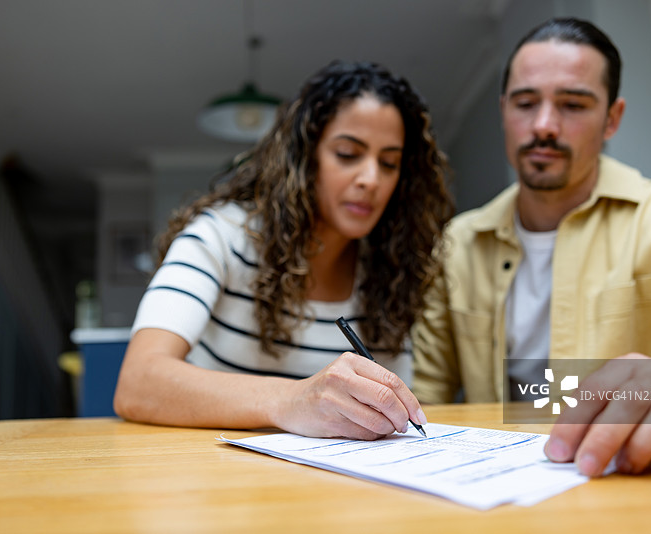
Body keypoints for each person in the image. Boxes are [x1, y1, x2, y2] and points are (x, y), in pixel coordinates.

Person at [412, 18, 651, 477]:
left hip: (624, 479)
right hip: (490, 486)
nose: (543, 125)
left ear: (612, 119)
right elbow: (427, 397)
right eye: (525, 103)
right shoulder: (457, 244)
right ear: (503, 111)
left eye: (573, 104)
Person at [114, 60, 454, 440]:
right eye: (347, 154)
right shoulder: (220, 236)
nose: (371, 179)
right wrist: (293, 398)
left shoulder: (391, 273)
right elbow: (139, 381)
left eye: (389, 163)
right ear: (305, 159)